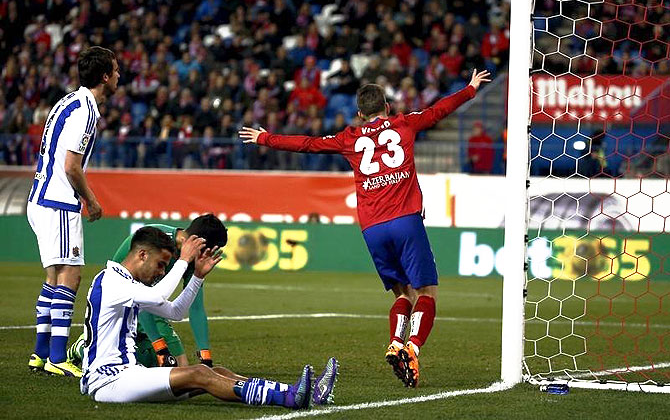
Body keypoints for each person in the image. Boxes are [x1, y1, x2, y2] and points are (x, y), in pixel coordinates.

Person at [240, 69, 491, 388]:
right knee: (426, 292)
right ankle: (412, 348)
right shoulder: (404, 123)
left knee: (402, 292)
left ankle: (396, 343)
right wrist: (469, 89)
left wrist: (265, 137)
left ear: (360, 114)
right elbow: (438, 110)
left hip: (372, 227)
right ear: (387, 106)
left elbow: (308, 144)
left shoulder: (349, 138)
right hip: (405, 220)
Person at [80, 226, 338, 406]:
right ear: (142, 254)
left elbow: (175, 312)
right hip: (109, 379)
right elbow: (160, 297)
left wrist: (197, 276)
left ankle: (299, 392)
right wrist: (183, 260)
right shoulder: (112, 281)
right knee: (199, 375)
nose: (161, 272)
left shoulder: (123, 283)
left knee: (213, 371)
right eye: (160, 264)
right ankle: (288, 399)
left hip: (126, 375)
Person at [27, 46, 120, 377]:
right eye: (116, 71)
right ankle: (56, 357)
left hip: (39, 198)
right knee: (71, 274)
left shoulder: (68, 102)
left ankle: (40, 354)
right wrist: (91, 200)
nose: (119, 77)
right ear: (105, 77)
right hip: (58, 202)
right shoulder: (87, 111)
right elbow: (71, 166)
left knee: (53, 277)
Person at [112, 214, 226, 368]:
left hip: (149, 304)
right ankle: (82, 347)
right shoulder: (155, 243)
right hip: (120, 304)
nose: (207, 256)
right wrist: (160, 348)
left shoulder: (192, 257)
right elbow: (144, 299)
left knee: (178, 366)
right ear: (198, 242)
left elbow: (194, 307)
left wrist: (205, 357)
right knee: (168, 364)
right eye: (208, 251)